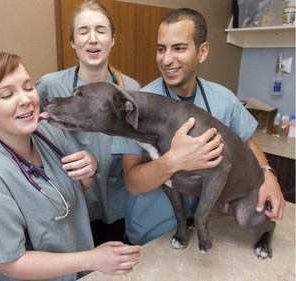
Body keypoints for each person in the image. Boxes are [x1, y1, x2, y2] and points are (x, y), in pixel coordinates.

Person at [112, 8, 286, 245]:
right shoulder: (136, 106)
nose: (166, 59)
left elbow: (246, 142)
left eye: (179, 48)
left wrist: (268, 176)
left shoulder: (222, 98)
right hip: (153, 234)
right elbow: (132, 182)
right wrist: (173, 160)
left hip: (209, 228)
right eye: (161, 49)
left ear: (202, 51)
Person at [0, 52, 142, 281]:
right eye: (7, 94)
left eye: (28, 87)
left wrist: (90, 166)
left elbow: (74, 189)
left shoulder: (46, 132)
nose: (25, 99)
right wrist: (92, 258)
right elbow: (11, 262)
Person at [36, 0, 142, 245]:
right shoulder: (50, 86)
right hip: (72, 204)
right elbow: (20, 136)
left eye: (101, 31)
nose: (92, 38)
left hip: (118, 207)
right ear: (73, 42)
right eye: (83, 31)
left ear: (112, 39)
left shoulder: (131, 91)